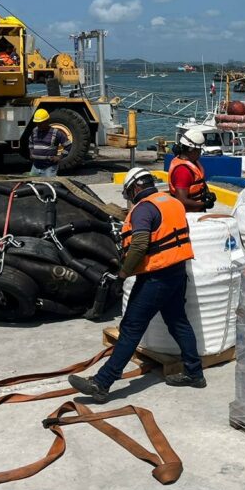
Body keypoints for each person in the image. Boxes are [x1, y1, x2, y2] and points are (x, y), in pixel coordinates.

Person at [69, 168, 205, 402]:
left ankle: (102, 383)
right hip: (177, 272)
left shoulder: (143, 209)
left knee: (131, 327)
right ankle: (194, 373)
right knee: (177, 321)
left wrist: (122, 275)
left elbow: (140, 244)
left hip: (156, 277)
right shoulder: (171, 202)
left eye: (128, 192)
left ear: (135, 187)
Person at [169, 128, 214, 212]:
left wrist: (207, 193)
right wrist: (204, 205)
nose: (200, 153)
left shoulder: (192, 163)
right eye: (199, 150)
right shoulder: (183, 171)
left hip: (197, 210)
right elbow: (182, 201)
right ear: (192, 150)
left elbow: (199, 182)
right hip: (188, 215)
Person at [28, 108, 69, 177]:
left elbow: (68, 145)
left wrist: (59, 157)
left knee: (49, 186)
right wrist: (31, 152)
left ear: (47, 121)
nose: (38, 125)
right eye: (37, 123)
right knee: (33, 187)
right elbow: (30, 141)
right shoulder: (35, 131)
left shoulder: (55, 133)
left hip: (49, 169)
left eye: (41, 123)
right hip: (35, 167)